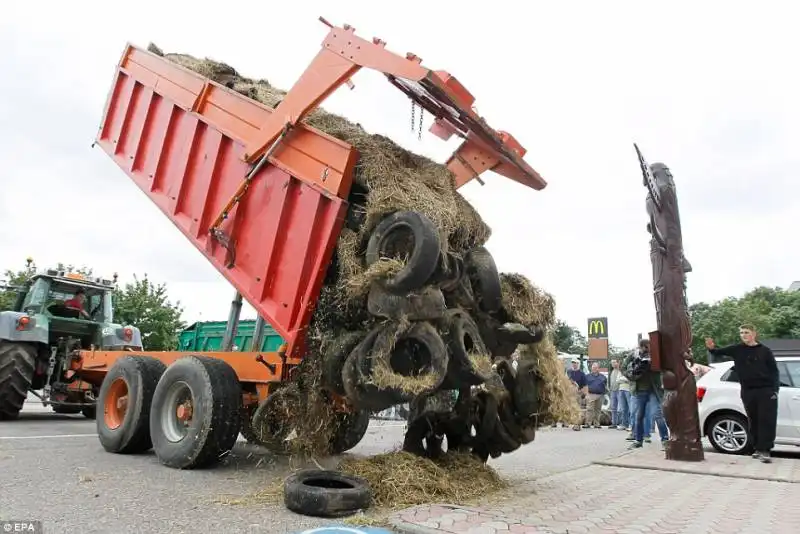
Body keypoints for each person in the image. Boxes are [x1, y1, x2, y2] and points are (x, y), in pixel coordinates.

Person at [705, 325, 780, 463]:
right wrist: (711, 348)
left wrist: (775, 390)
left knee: (766, 420)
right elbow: (718, 352)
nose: (743, 335)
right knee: (753, 419)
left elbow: (774, 372)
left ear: (754, 334)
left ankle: (765, 450)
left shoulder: (765, 351)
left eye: (746, 332)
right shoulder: (737, 349)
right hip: (747, 390)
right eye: (741, 333)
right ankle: (757, 448)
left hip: (765, 390)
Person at [626, 339, 669, 449]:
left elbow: (663, 367)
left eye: (648, 346)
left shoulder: (655, 355)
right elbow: (624, 367)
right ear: (640, 347)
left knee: (657, 415)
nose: (647, 349)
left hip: (654, 389)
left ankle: (665, 440)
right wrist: (635, 373)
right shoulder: (634, 355)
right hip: (640, 389)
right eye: (645, 347)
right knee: (639, 416)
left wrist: (652, 364)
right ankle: (638, 441)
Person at [584, 362, 607, 428]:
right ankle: (588, 423)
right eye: (593, 367)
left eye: (595, 368)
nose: (594, 369)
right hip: (590, 395)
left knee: (598, 410)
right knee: (589, 409)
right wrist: (586, 394)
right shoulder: (587, 376)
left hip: (600, 395)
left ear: (598, 368)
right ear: (591, 368)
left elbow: (605, 385)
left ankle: (596, 424)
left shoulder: (603, 377)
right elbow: (584, 385)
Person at [567, 358, 587, 431]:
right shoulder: (569, 372)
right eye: (573, 362)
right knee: (571, 409)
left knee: (578, 410)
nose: (574, 364)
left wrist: (584, 393)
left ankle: (577, 425)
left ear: (578, 364)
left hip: (578, 393)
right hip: (570, 393)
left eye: (575, 363)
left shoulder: (582, 373)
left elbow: (585, 385)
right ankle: (572, 423)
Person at [608, 359, 627, 429]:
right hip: (612, 391)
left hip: (619, 391)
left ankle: (622, 422)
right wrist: (609, 388)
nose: (613, 364)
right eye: (612, 362)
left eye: (614, 362)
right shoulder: (611, 371)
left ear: (618, 363)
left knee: (621, 408)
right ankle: (614, 423)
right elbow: (609, 381)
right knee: (613, 408)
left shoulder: (621, 371)